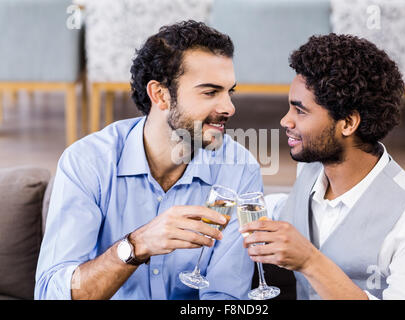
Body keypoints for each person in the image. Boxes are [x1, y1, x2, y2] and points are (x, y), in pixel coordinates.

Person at [35, 20, 262, 300]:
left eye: (230, 91)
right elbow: (51, 293)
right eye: (210, 92)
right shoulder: (88, 162)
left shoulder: (239, 169)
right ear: (160, 94)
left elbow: (225, 296)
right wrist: (137, 245)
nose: (229, 107)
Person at [239, 33, 405, 300]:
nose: (285, 121)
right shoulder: (311, 169)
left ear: (348, 123)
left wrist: (310, 261)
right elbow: (286, 207)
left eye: (300, 111)